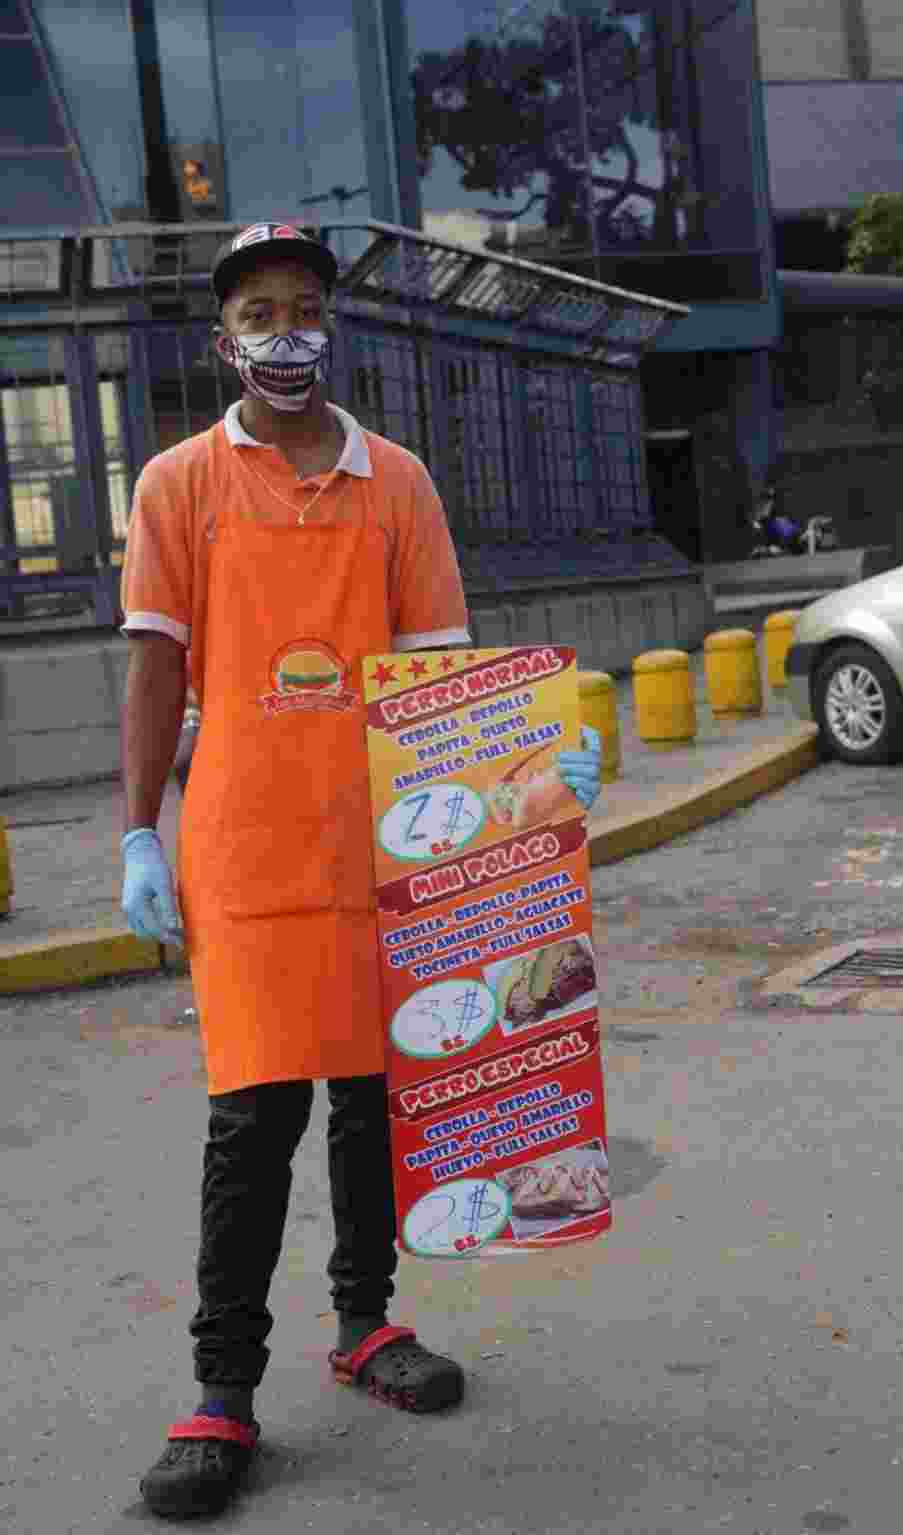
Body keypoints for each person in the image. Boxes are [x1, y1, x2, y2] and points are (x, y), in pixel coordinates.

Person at [118, 222, 603, 1521]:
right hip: (245, 849)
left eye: (306, 305)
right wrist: (133, 835)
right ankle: (220, 1391)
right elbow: (156, 669)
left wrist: (530, 785)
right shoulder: (179, 485)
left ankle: (366, 1323)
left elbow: (442, 675)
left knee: (372, 1102)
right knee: (253, 1119)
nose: (287, 328)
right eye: (260, 310)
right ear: (224, 342)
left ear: (335, 324)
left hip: (390, 841)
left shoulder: (399, 485)